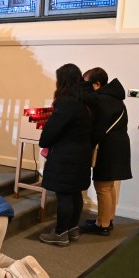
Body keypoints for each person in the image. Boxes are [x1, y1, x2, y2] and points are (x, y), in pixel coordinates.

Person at [39, 63, 95, 246]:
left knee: (63, 195)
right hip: (82, 154)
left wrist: (44, 138)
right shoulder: (86, 101)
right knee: (75, 193)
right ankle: (72, 229)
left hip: (66, 156)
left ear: (62, 80)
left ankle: (60, 233)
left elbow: (53, 129)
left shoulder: (66, 101)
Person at [80, 67, 132, 235]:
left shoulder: (103, 100)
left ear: (97, 83)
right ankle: (108, 219)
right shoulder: (115, 98)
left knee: (102, 186)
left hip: (108, 147)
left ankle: (101, 225)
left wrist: (86, 145)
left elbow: (98, 129)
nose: (85, 87)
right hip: (118, 146)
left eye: (87, 84)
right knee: (109, 186)